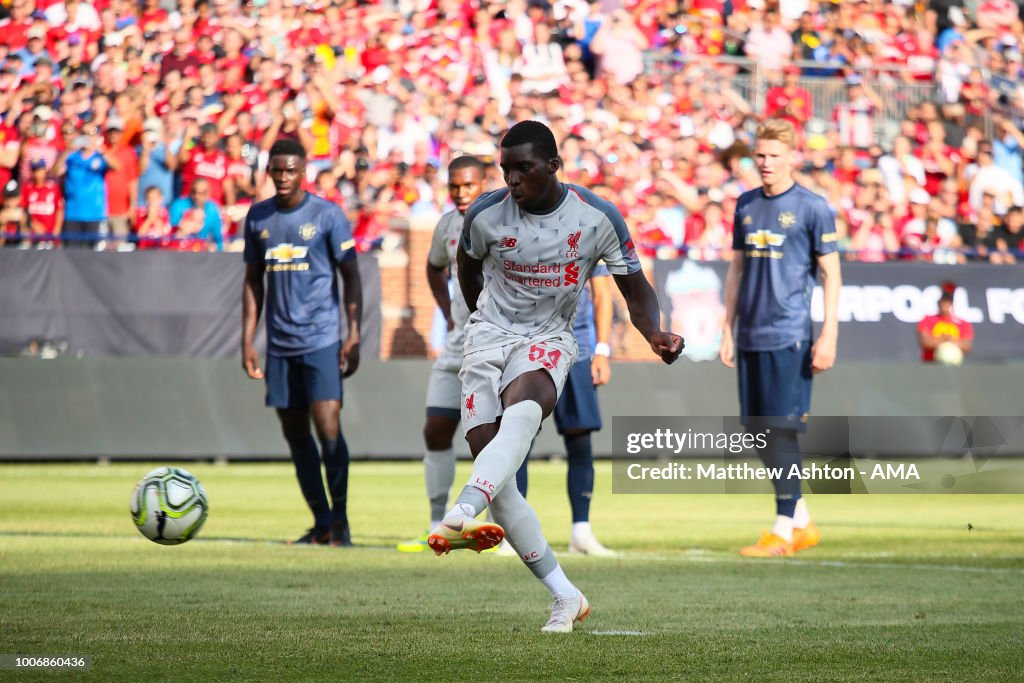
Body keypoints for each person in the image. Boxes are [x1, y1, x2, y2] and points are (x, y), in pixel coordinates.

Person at [428, 120, 683, 633]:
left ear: (552, 166)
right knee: (500, 479)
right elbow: (466, 269)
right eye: (505, 170)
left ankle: (461, 509)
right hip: (487, 339)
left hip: (549, 338)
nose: (512, 180)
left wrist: (655, 332)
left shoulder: (596, 217)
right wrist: (486, 321)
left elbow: (635, 287)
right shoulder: (483, 214)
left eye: (523, 169)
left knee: (523, 414)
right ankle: (566, 595)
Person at [719, 118, 841, 558]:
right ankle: (802, 520)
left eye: (774, 155)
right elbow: (736, 270)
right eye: (761, 155)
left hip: (789, 333)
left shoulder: (812, 206)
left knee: (782, 430)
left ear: (792, 157)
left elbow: (831, 274)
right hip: (749, 333)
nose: (766, 163)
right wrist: (727, 329)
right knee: (757, 431)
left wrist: (828, 334)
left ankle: (783, 526)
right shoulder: (746, 204)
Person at [241, 139, 362, 547]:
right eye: (276, 170)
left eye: (290, 170)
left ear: (303, 171)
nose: (282, 177)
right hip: (279, 344)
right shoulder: (258, 217)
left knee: (328, 427)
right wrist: (247, 339)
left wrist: (354, 332)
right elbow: (252, 282)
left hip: (322, 338)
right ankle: (322, 521)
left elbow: (351, 275)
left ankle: (341, 521)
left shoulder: (327, 215)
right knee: (294, 434)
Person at [396, 155, 488, 554]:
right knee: (436, 428)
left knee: (492, 440)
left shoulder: (505, 219)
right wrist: (447, 313)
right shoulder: (447, 225)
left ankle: (498, 528)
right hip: (457, 344)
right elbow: (434, 267)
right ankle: (437, 524)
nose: (462, 193)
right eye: (455, 186)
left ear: (484, 184)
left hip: (495, 343)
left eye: (470, 185)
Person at [507, 267, 616, 557]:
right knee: (519, 440)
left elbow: (602, 292)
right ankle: (513, 533)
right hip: (528, 349)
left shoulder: (589, 227)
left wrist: (602, 350)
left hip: (577, 349)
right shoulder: (524, 226)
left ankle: (581, 531)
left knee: (580, 440)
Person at [917, 281, 973, 363]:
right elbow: (925, 342)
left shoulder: (963, 323)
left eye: (948, 303)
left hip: (954, 364)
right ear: (939, 304)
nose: (945, 307)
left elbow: (967, 346)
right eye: (943, 303)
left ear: (952, 304)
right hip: (931, 363)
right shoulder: (927, 320)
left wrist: (949, 340)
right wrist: (945, 339)